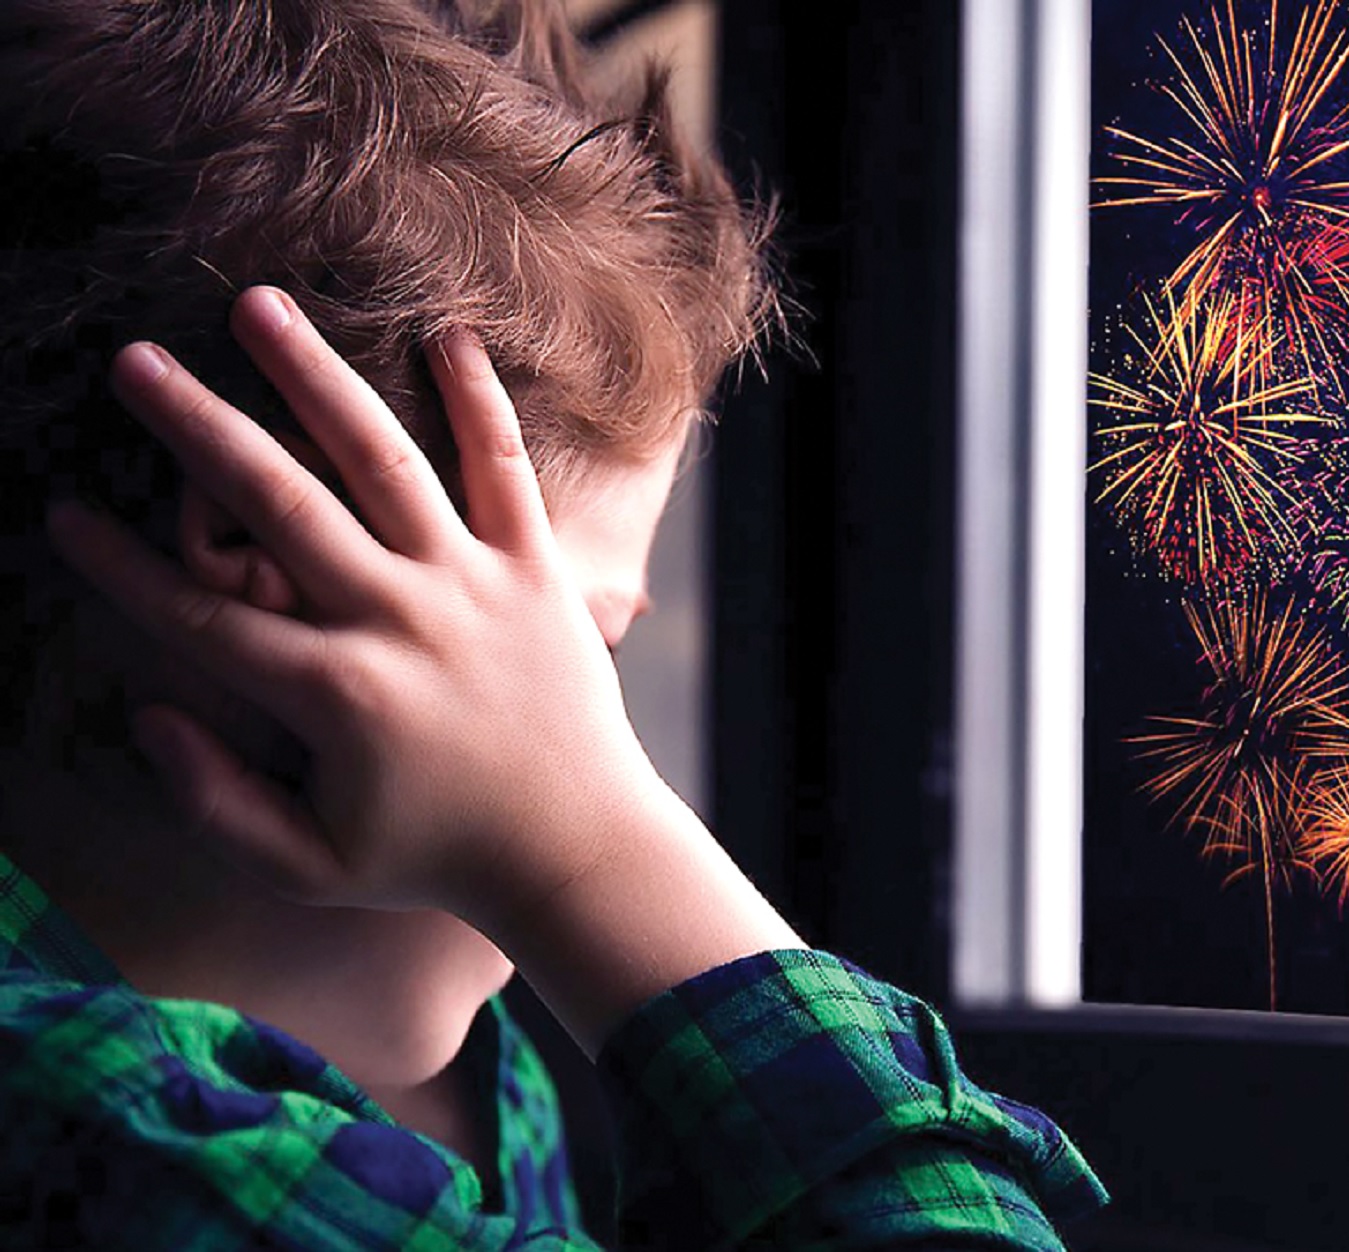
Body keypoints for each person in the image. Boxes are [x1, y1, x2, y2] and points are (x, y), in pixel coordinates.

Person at [0, 1, 1108, 1247]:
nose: (579, 746)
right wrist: (590, 856)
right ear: (265, 553)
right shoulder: (111, 1131)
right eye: (569, 650)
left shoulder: (463, 1069)